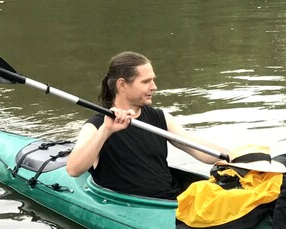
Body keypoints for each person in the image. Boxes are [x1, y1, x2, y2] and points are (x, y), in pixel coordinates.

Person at [65, 51, 229, 199]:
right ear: (122, 85)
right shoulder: (96, 126)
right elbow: (73, 169)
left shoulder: (160, 117)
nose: (154, 87)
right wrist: (106, 130)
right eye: (146, 81)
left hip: (170, 196)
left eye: (153, 80)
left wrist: (233, 156)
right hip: (129, 204)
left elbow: (198, 149)